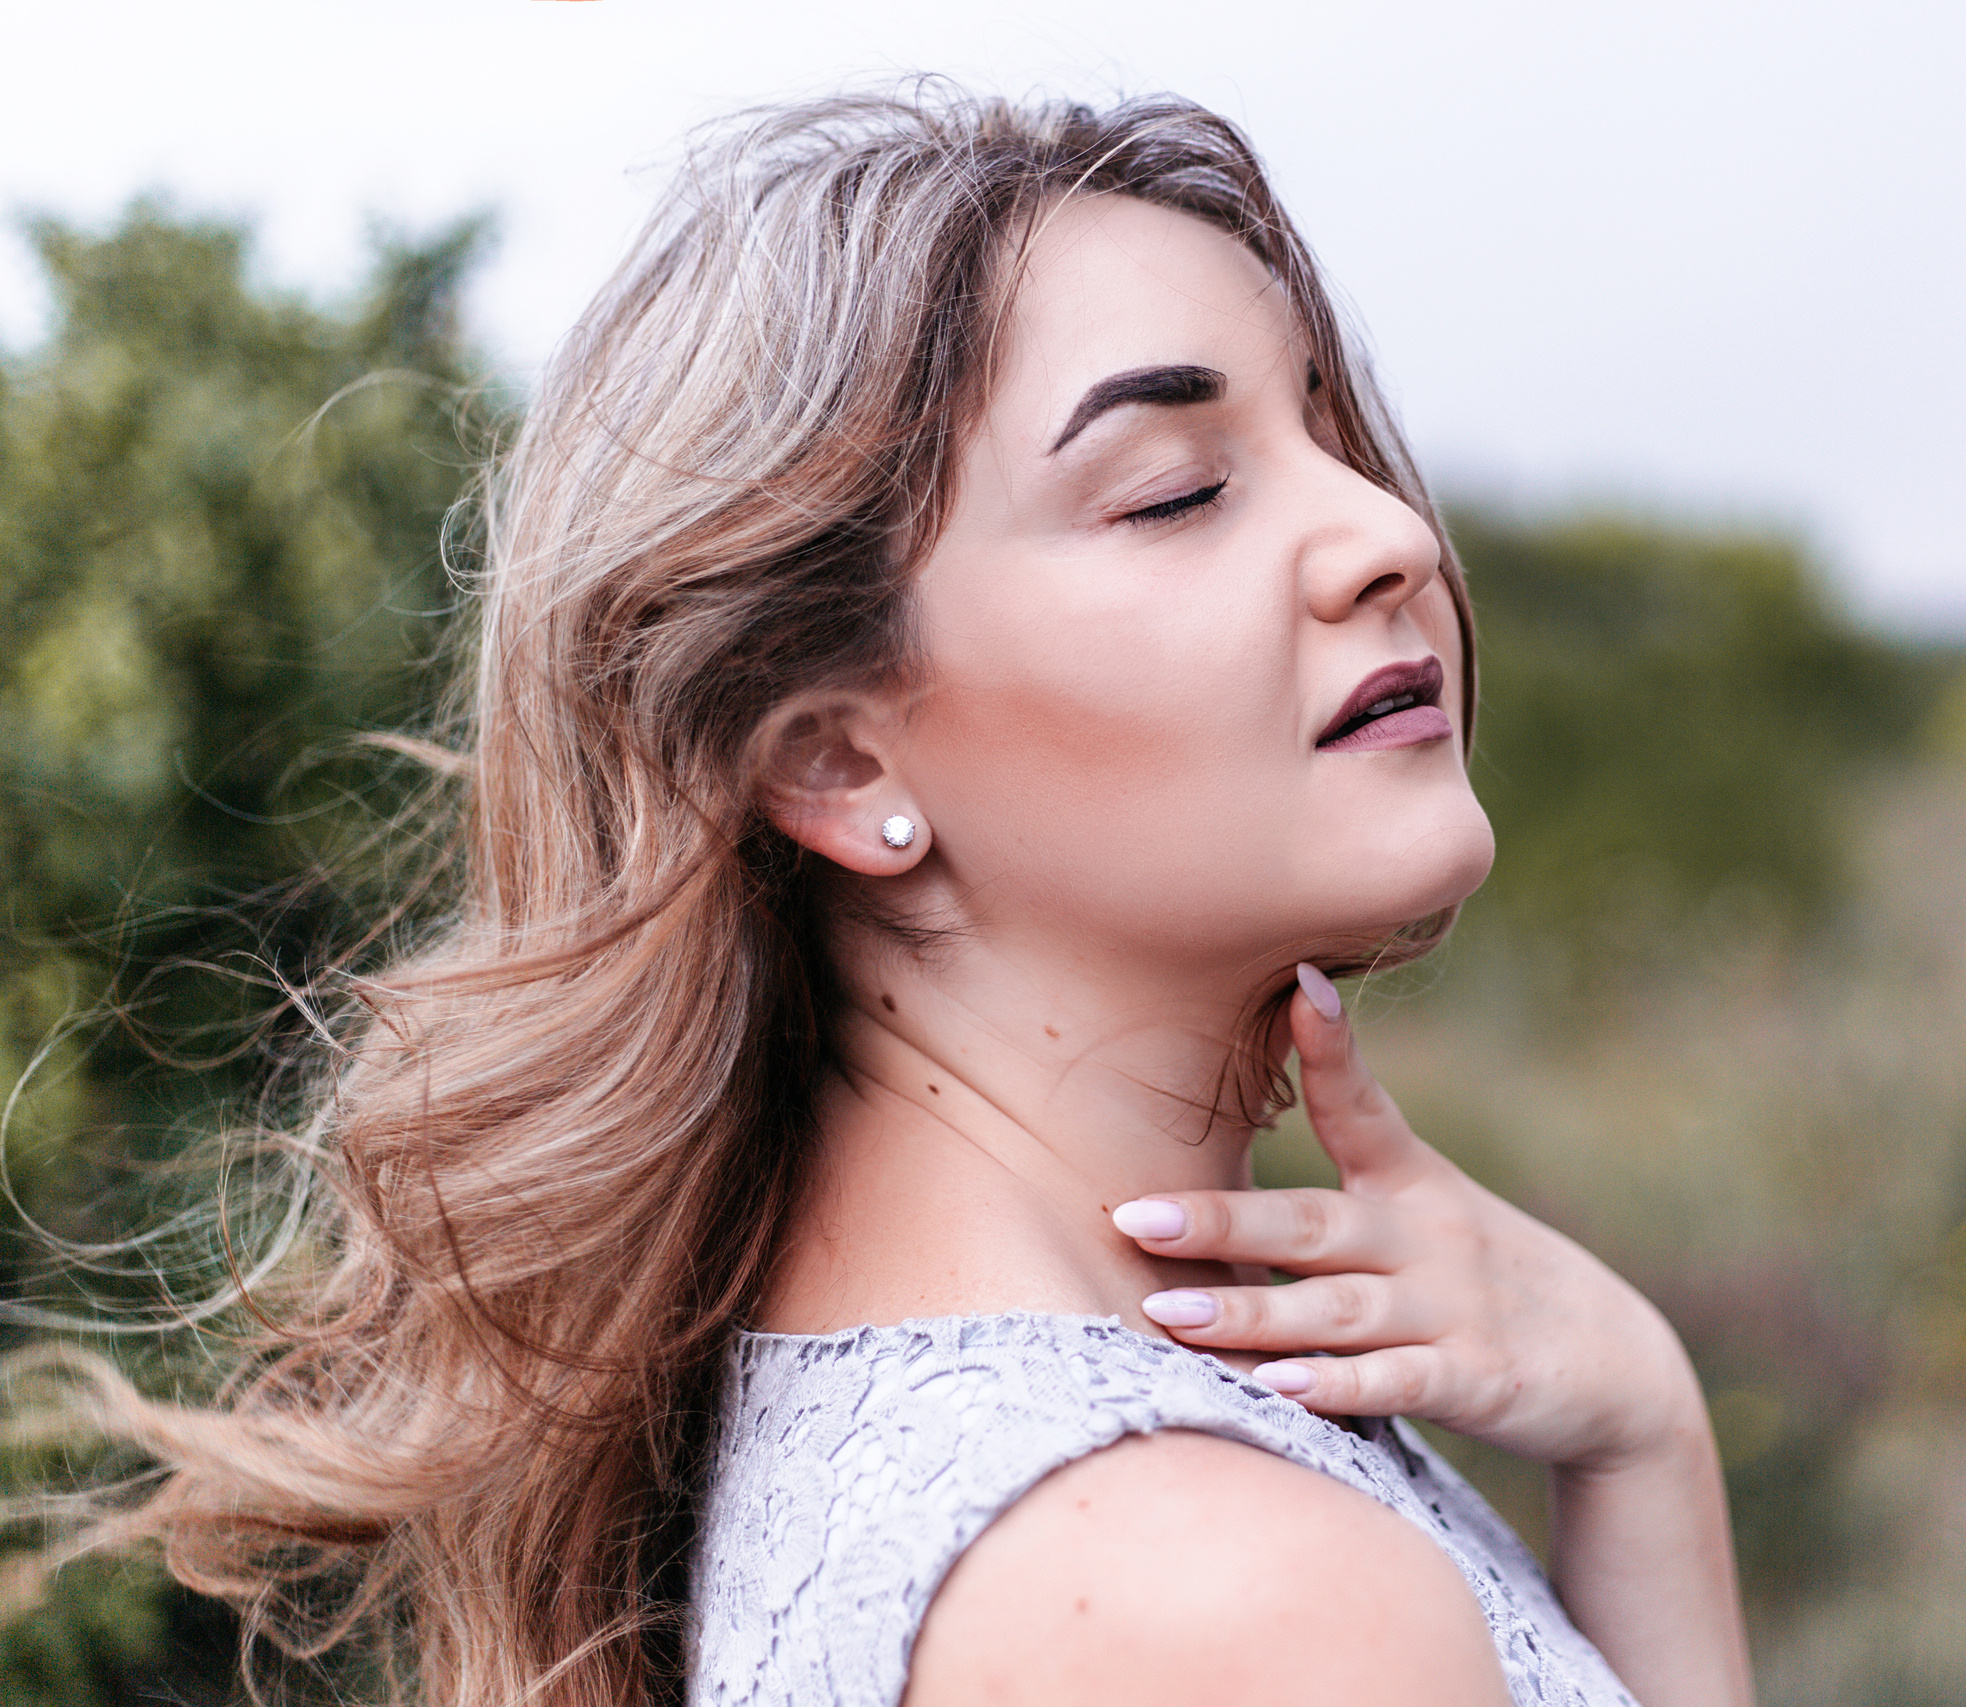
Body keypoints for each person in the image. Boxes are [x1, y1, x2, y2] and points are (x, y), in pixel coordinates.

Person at [18, 89, 1752, 1707]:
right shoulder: (1215, 1596)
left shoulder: (892, 1414)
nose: (1385, 531)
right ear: (840, 766)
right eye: (1177, 492)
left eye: (1327, 427)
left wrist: (1641, 1437)